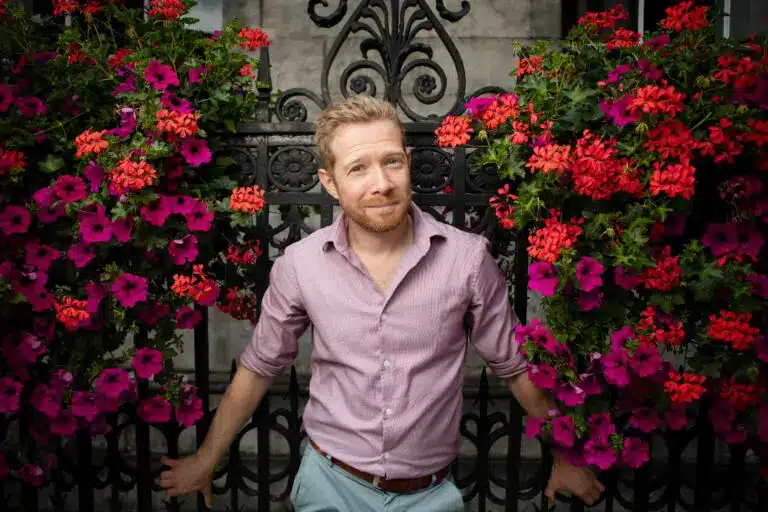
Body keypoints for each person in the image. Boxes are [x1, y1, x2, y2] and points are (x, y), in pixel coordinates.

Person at [159, 96, 604, 511]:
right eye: (358, 169)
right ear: (330, 183)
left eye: (392, 162)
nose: (382, 184)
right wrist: (206, 459)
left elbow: (513, 366)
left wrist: (566, 455)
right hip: (328, 486)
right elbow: (258, 369)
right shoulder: (300, 265)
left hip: (430, 494)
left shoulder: (467, 259)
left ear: (407, 163)